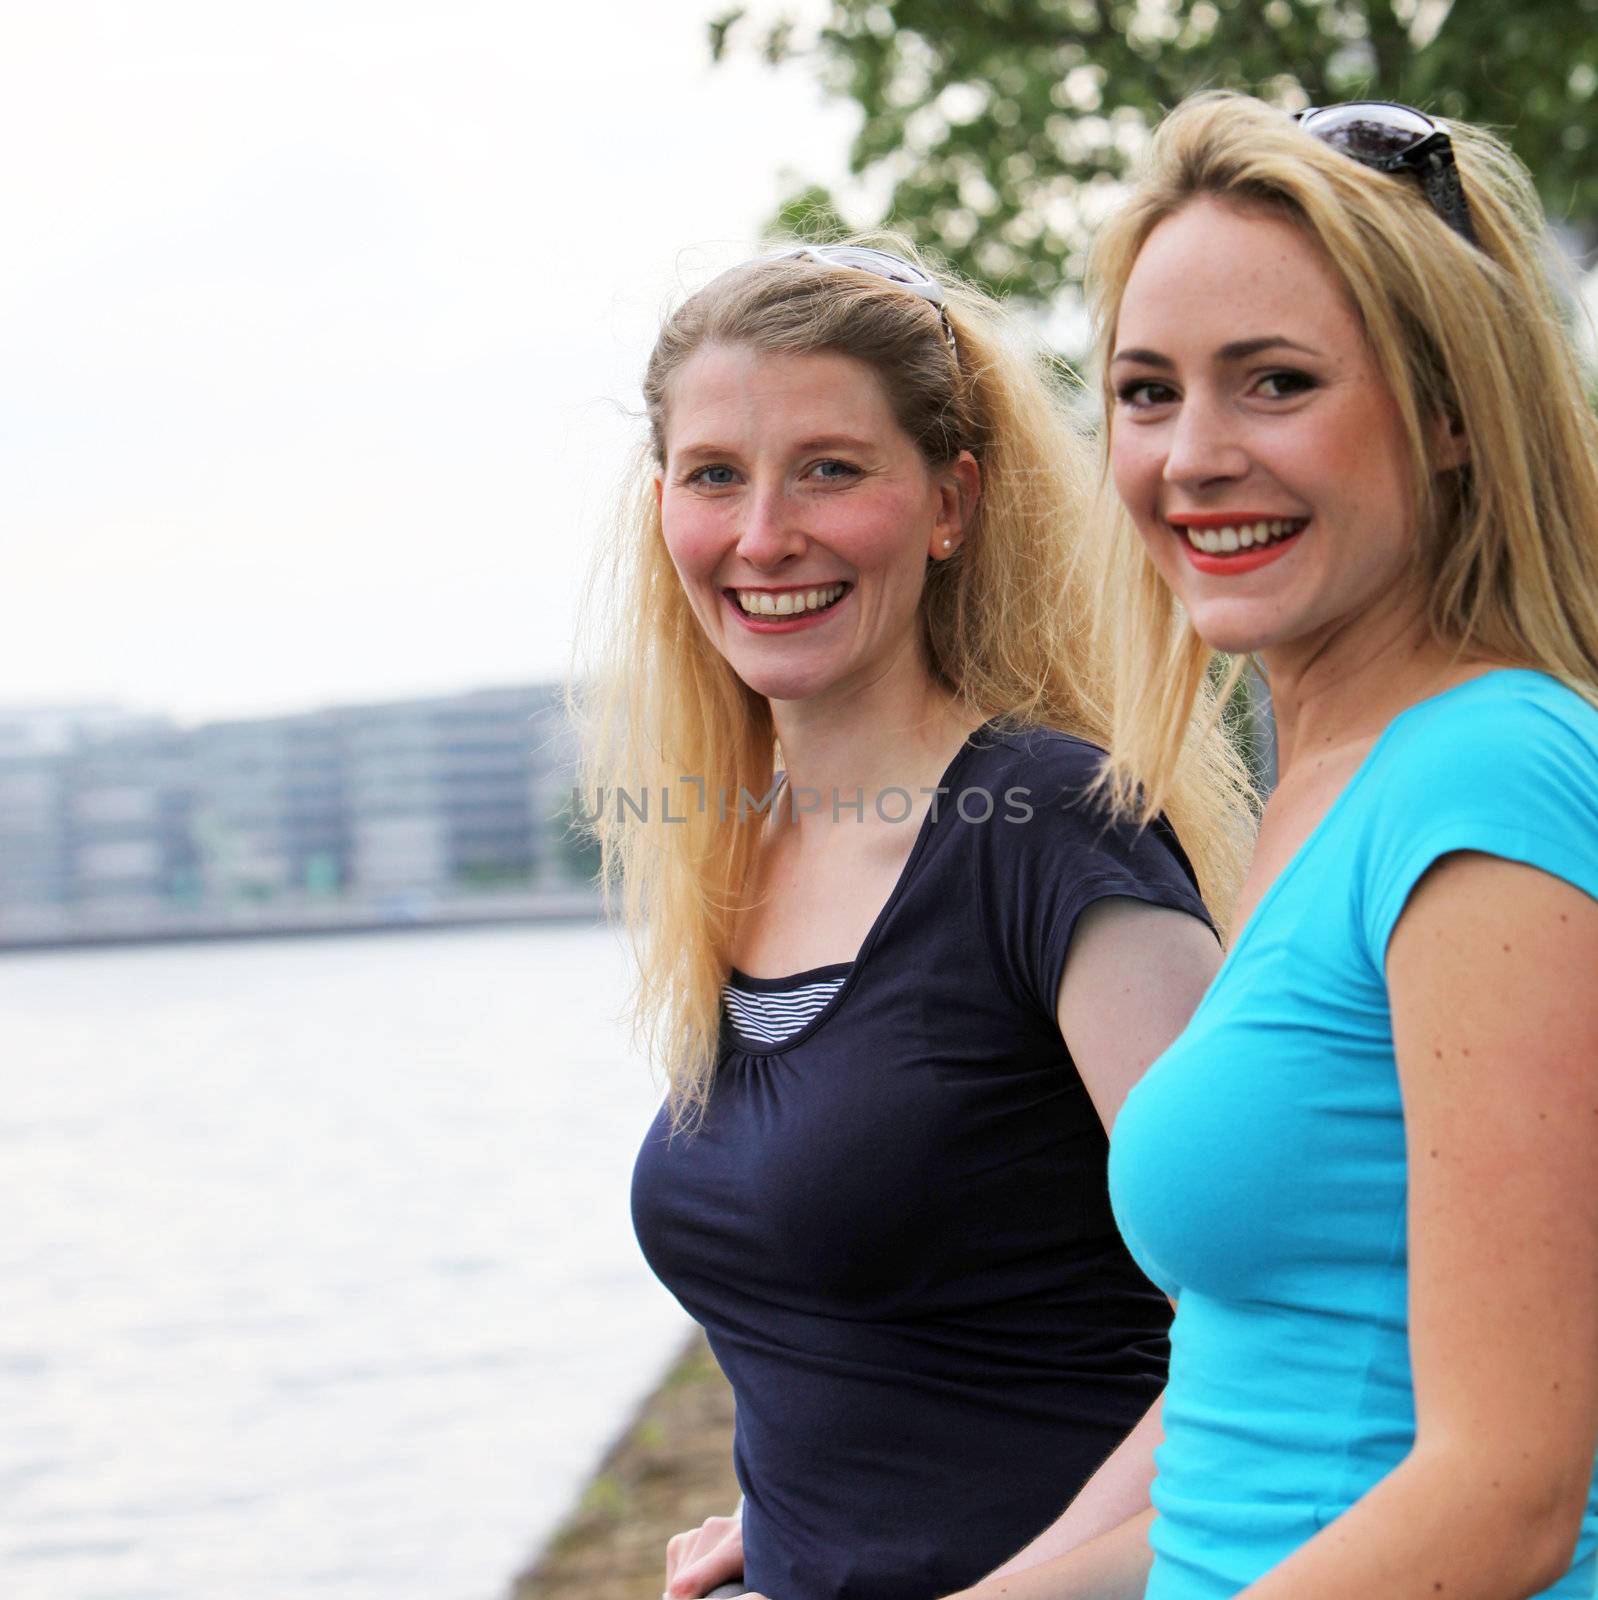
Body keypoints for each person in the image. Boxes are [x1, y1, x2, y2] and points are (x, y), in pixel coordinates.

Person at [921, 93, 1598, 1600]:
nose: (1192, 456)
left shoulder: (1489, 775)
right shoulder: (1322, 792)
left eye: (1274, 383)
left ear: (1451, 413)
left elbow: (1503, 1497)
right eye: (1145, 393)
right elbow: (1256, 1454)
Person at [575, 240, 1255, 1600]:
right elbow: (908, 1334)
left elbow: (1274, 1330)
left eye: (829, 468)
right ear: (665, 508)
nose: (763, 534)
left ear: (949, 501)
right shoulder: (734, 845)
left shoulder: (1053, 831)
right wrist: (794, 1518)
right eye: (716, 475)